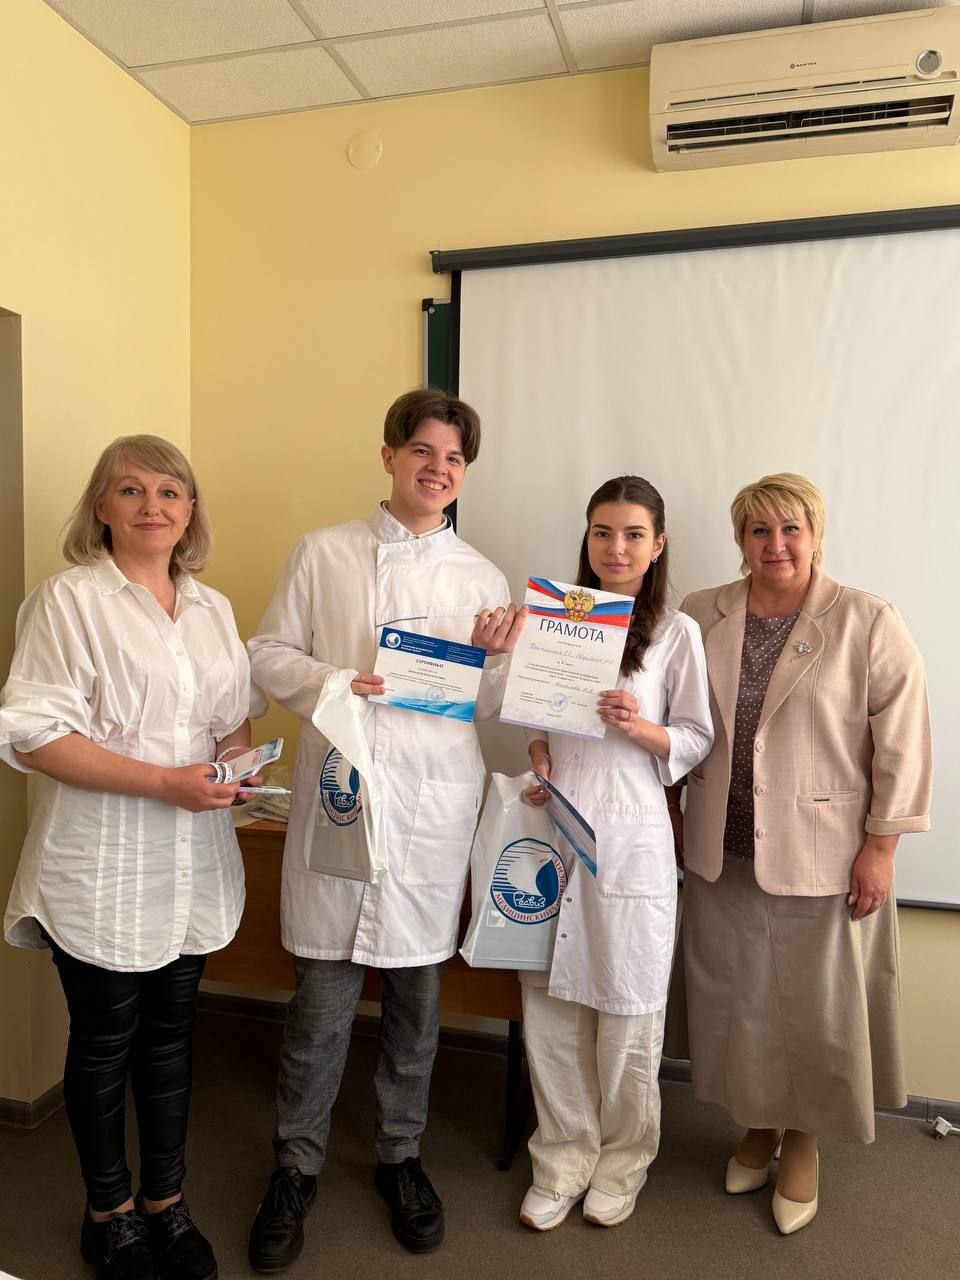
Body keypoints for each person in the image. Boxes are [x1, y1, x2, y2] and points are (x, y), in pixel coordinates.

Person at [245, 388, 523, 1270]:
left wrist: (497, 658)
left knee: (416, 1006)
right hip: (344, 796)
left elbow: (486, 705)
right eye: (423, 451)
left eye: (454, 458)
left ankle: (401, 1157)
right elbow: (267, 652)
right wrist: (339, 681)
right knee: (319, 1007)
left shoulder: (482, 576)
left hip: (432, 811)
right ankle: (295, 1166)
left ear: (464, 473)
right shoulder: (323, 551)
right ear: (390, 455)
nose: (438, 469)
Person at [0, 436, 265, 1280]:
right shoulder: (68, 601)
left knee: (171, 1037)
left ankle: (165, 1202)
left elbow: (231, 719)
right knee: (106, 1039)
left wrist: (239, 768)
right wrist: (164, 781)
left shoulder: (212, 608)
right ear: (102, 507)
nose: (154, 505)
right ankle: (108, 1213)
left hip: (191, 861)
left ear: (191, 511)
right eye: (132, 490)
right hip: (105, 864)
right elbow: (35, 736)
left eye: (171, 491)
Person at [666, 472, 931, 1235]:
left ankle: (804, 1140)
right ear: (740, 539)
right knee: (739, 1004)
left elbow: (904, 743)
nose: (775, 544)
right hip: (721, 848)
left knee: (814, 1010)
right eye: (759, 530)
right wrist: (668, 807)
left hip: (824, 853)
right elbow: (673, 714)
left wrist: (880, 847)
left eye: (790, 529)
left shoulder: (866, 619)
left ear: (815, 535)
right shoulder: (701, 613)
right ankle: (756, 1126)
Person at [518, 475, 713, 1231]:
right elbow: (536, 716)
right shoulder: (557, 617)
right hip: (557, 826)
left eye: (634, 534)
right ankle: (560, 1159)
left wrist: (639, 727)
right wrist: (538, 750)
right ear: (588, 538)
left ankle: (622, 1163)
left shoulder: (676, 633)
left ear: (657, 545)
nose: (617, 547)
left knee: (628, 1010)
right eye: (603, 532)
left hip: (632, 837)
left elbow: (696, 737)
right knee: (551, 1007)